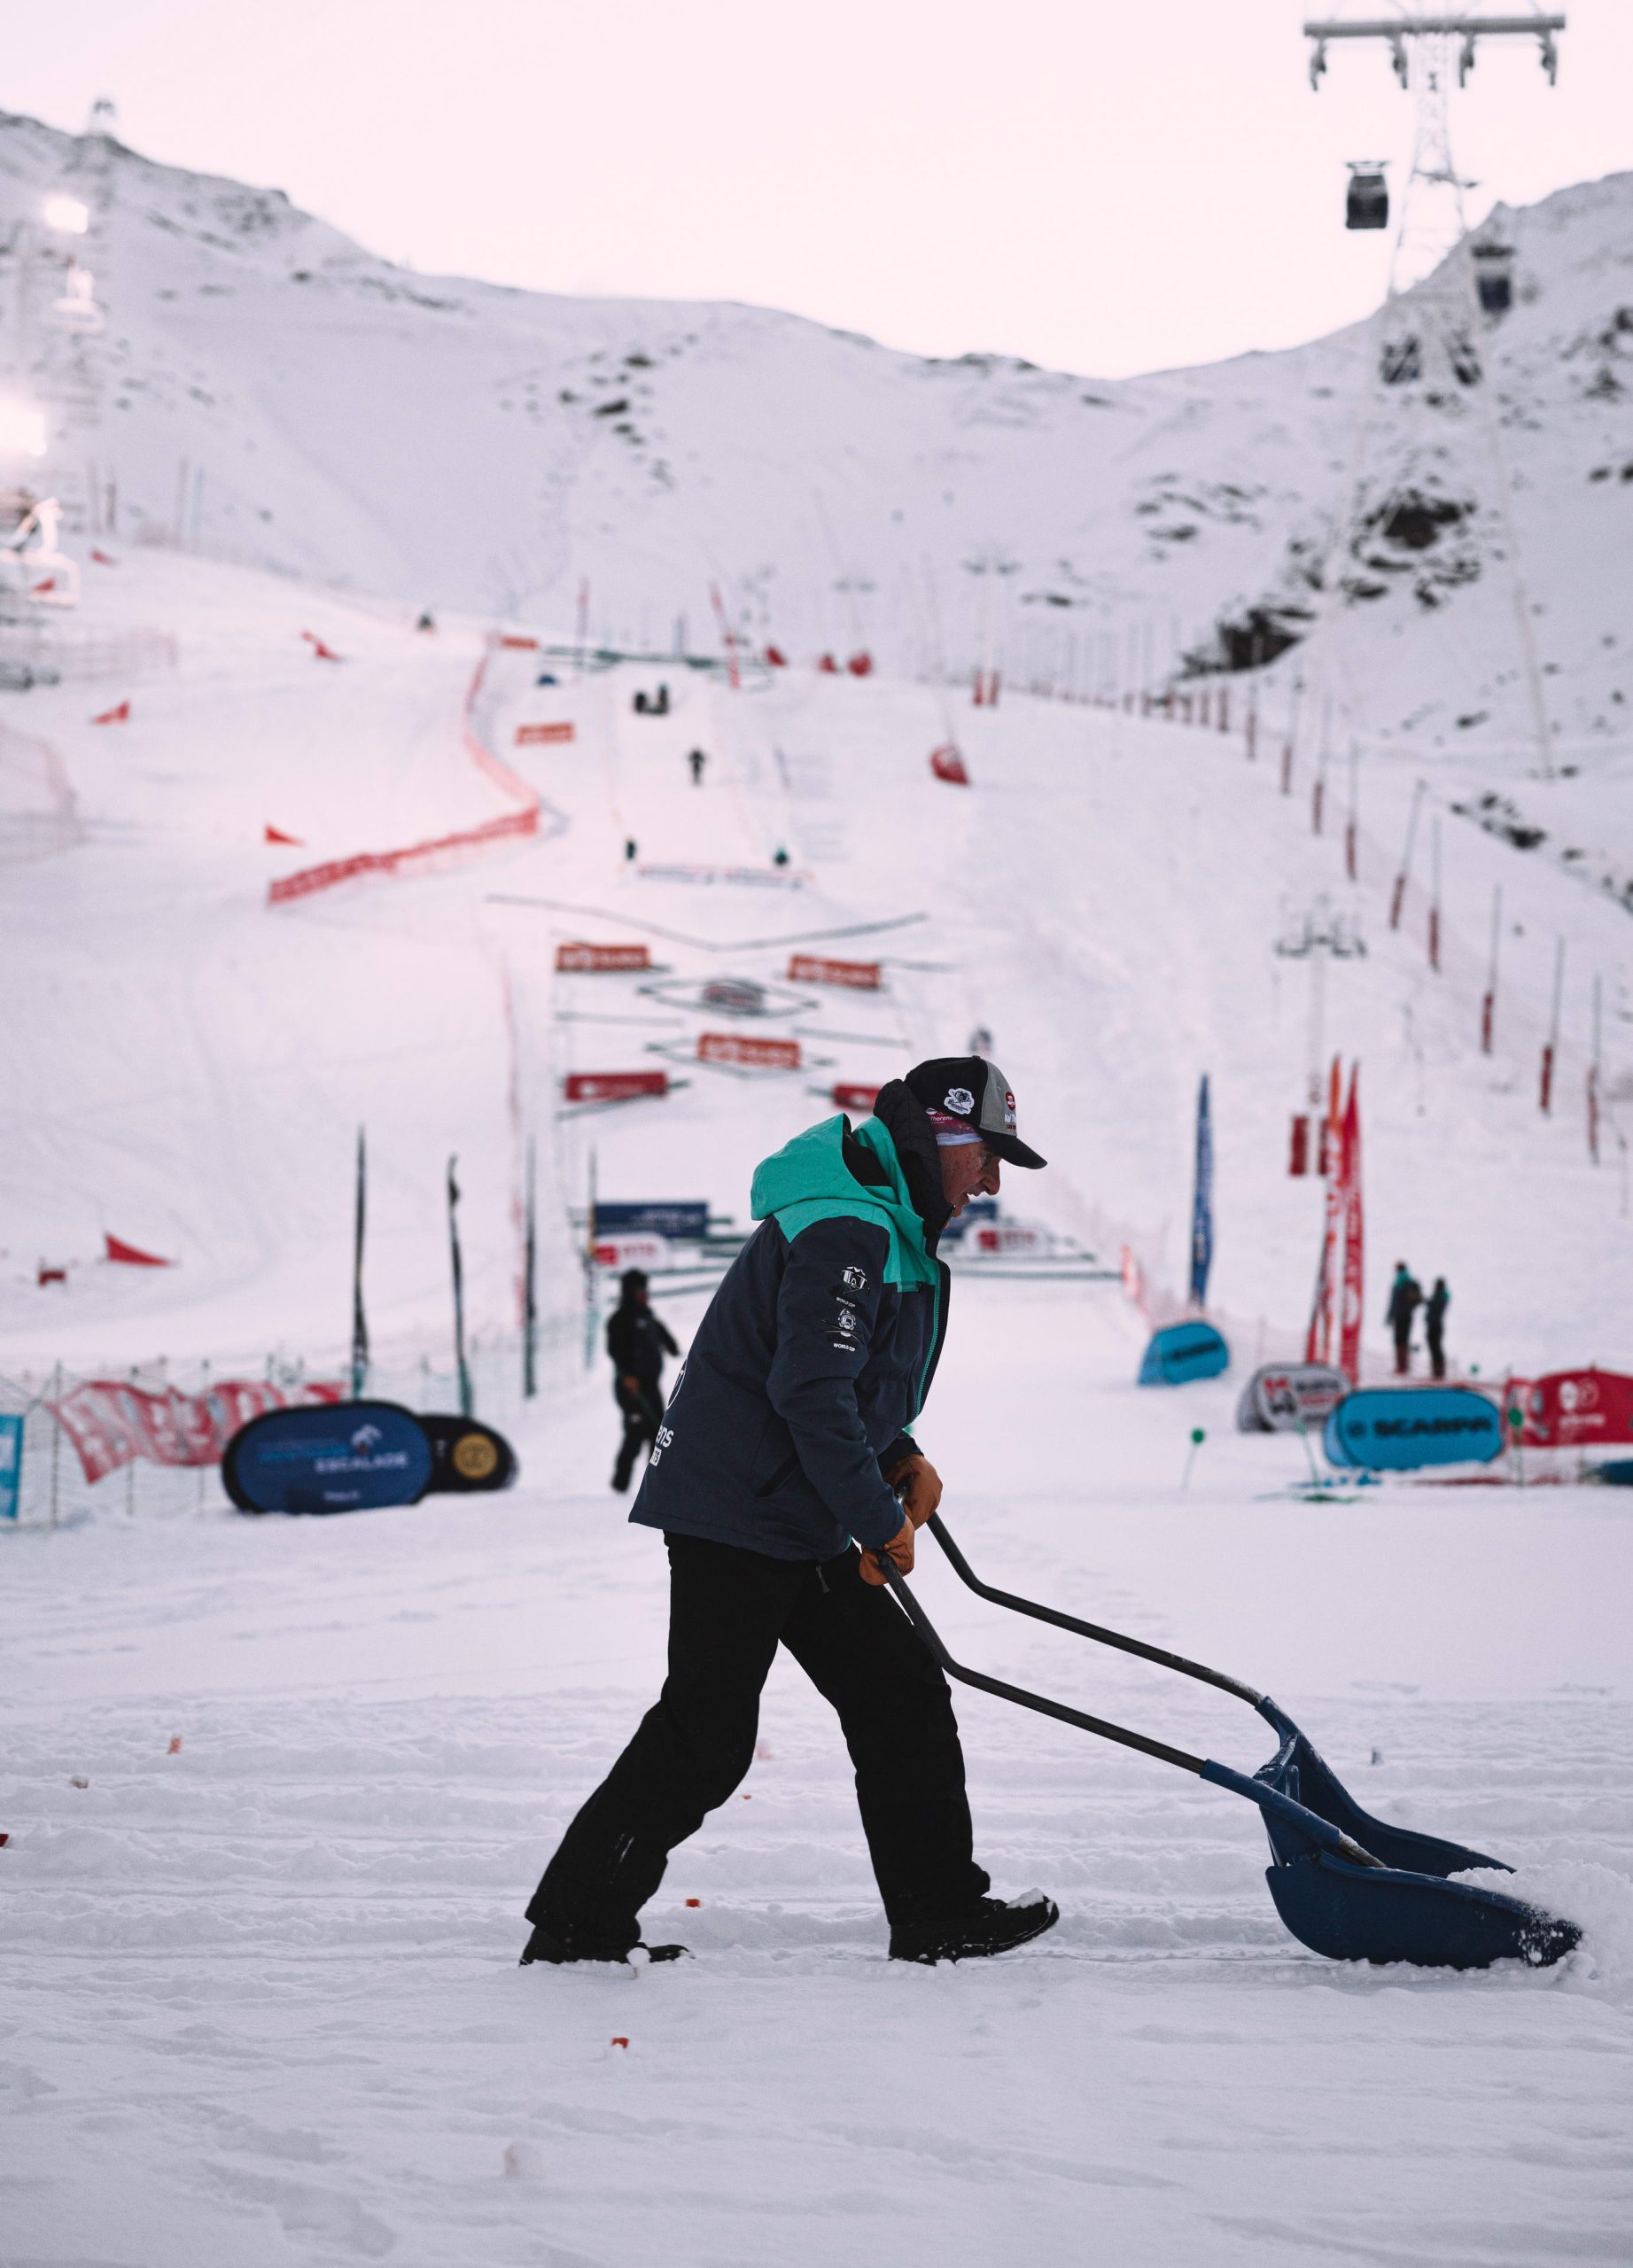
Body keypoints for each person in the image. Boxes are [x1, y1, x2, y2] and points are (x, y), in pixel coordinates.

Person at [521, 1057, 1057, 1969]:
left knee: (900, 1694)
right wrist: (872, 1514)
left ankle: (935, 1912)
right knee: (707, 1733)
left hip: (793, 1509)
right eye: (988, 1156)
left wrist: (900, 1459)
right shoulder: (848, 1226)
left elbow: (852, 1387)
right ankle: (575, 1925)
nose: (993, 1182)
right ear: (943, 1139)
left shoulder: (888, 1225)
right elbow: (809, 1391)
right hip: (740, 1510)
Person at [607, 1270, 679, 1493]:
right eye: (640, 1291)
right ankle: (620, 1484)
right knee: (636, 1431)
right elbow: (615, 1349)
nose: (645, 1295)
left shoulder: (648, 1317)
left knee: (659, 1431)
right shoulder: (621, 1320)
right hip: (631, 1386)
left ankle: (657, 1483)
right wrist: (627, 1374)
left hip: (650, 1385)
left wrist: (672, 1347)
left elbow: (665, 1338)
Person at [1386, 1262, 1422, 1377]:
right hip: (1407, 1315)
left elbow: (1394, 1302)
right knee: (1404, 1340)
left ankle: (1401, 1367)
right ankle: (1404, 1366)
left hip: (1400, 1315)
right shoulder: (1411, 1282)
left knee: (1399, 1340)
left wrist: (1390, 1316)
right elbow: (1418, 1300)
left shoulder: (1399, 1283)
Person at [1425, 1277, 1450, 1380]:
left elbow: (1433, 1304)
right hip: (1433, 1325)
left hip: (1436, 1326)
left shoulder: (1440, 1298)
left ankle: (1439, 1372)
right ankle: (1436, 1371)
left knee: (1436, 1348)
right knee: (1434, 1347)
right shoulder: (1439, 1296)